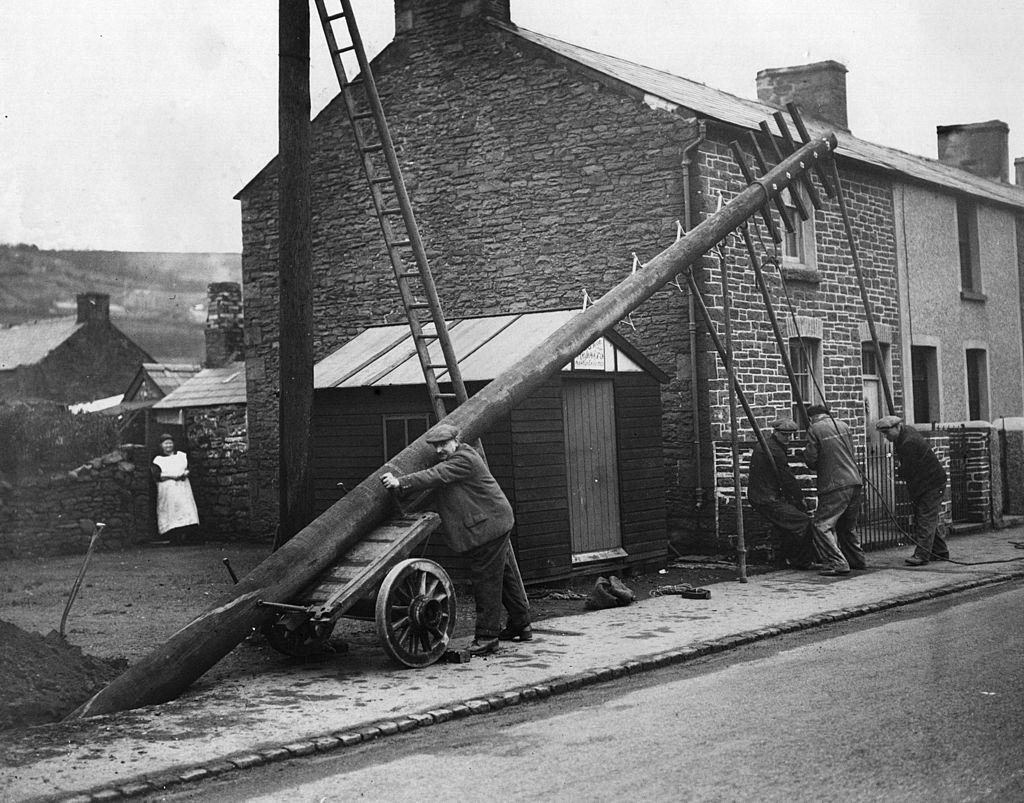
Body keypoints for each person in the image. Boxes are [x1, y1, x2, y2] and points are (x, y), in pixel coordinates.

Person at [380, 423, 531, 656]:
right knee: (505, 576)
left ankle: (487, 637)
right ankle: (522, 625)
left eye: (444, 444)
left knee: (486, 581)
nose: (440, 450)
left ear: (456, 441)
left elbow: (436, 475)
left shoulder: (463, 459)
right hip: (493, 522)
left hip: (488, 527)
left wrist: (401, 482)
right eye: (436, 446)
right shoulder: (455, 459)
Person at [875, 415, 950, 566]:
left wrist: (899, 470)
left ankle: (922, 555)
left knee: (925, 518)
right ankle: (940, 551)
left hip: (931, 484)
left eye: (887, 433)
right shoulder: (904, 435)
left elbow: (908, 469)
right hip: (924, 484)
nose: (886, 437)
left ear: (898, 427)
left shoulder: (909, 442)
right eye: (884, 434)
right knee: (924, 518)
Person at [803, 404, 867, 576]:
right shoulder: (843, 425)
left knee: (821, 525)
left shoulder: (814, 429)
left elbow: (811, 459)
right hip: (854, 481)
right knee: (847, 525)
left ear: (812, 418)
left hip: (834, 484)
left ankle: (837, 562)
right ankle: (856, 560)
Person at [747, 417, 817, 569]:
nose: (788, 439)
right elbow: (787, 479)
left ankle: (783, 559)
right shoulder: (774, 450)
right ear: (776, 432)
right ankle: (803, 562)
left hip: (765, 495)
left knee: (787, 525)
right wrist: (800, 499)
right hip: (766, 498)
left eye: (790, 435)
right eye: (785, 435)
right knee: (803, 522)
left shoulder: (770, 445)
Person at [151, 434, 199, 544]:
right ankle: (174, 538)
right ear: (161, 445)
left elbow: (190, 467)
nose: (168, 445)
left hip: (183, 488)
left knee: (186, 509)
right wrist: (173, 476)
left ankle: (187, 537)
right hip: (168, 489)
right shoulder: (158, 460)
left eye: (170, 443)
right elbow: (157, 475)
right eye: (165, 443)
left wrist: (186, 472)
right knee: (171, 511)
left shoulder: (182, 456)